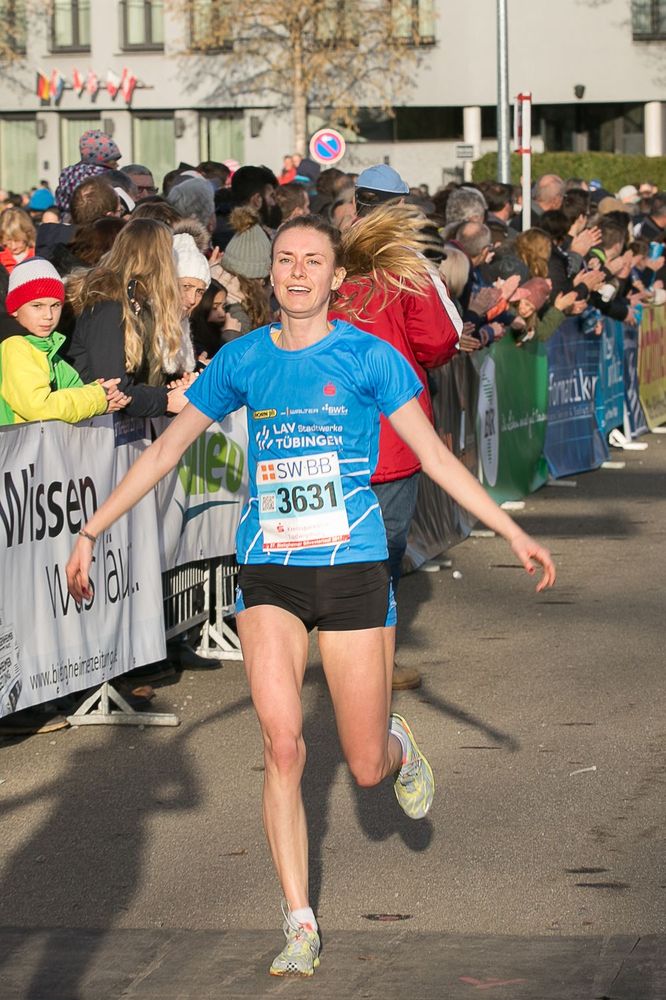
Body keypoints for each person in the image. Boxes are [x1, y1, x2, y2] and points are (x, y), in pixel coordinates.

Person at [66, 207, 555, 979]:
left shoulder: (369, 357)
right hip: (271, 572)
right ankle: (298, 920)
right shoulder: (244, 359)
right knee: (283, 745)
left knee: (362, 766)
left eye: (312, 261)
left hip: (354, 566)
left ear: (336, 276)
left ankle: (396, 743)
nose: (297, 272)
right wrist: (92, 530)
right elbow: (165, 452)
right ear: (272, 273)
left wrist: (511, 530)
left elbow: (434, 457)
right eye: (286, 260)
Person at [66, 219, 194, 417]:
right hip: (91, 426)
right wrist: (166, 399)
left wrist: (174, 389)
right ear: (160, 260)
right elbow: (113, 389)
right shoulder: (107, 306)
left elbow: (137, 382)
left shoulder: (135, 303)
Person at [0, 258, 129, 425]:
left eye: (55, 305)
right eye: (37, 306)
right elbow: (39, 407)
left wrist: (105, 395)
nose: (48, 315)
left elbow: (74, 390)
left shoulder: (47, 347)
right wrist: (97, 397)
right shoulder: (15, 346)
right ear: (14, 309)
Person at [0, 208, 36, 274]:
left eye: (17, 240)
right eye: (8, 240)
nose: (13, 246)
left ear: (27, 234)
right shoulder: (1, 258)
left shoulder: (37, 255)